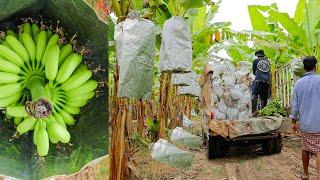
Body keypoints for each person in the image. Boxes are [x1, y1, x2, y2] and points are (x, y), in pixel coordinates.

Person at [291, 56, 320, 180]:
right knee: (319, 149)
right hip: (318, 122)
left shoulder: (298, 83)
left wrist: (293, 121)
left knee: (305, 147)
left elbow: (295, 105)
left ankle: (306, 173)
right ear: (315, 66)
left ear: (304, 67)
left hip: (305, 124)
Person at [199, 63, 215, 145]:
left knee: (209, 120)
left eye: (211, 73)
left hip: (211, 104)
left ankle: (206, 137)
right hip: (206, 104)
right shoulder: (203, 79)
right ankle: (205, 138)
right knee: (205, 121)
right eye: (209, 73)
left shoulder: (211, 80)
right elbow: (201, 85)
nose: (210, 75)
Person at [251, 50, 271, 116]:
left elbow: (254, 72)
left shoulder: (255, 61)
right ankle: (263, 112)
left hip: (258, 80)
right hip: (267, 81)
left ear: (257, 55)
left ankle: (254, 111)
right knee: (264, 98)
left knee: (254, 95)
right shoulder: (268, 61)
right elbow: (268, 71)